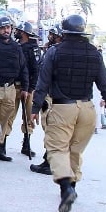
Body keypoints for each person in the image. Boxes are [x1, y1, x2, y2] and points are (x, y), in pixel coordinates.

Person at [30, 14, 106, 212]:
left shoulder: (54, 52)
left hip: (63, 107)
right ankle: (73, 185)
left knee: (57, 148)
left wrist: (35, 108)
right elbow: (105, 85)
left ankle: (65, 188)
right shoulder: (94, 54)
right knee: (75, 150)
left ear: (64, 32)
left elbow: (42, 83)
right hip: (87, 109)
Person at [0, 16, 29, 162]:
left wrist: (26, 88)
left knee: (4, 120)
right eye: (3, 28)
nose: (6, 30)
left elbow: (23, 68)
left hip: (10, 89)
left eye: (8, 27)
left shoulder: (16, 47)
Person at [30, 25, 63, 175]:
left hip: (51, 95)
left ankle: (50, 160)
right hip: (59, 96)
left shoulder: (55, 52)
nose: (49, 36)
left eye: (51, 34)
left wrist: (38, 101)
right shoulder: (54, 50)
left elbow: (44, 76)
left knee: (49, 127)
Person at [6, 21, 41, 157]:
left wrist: (31, 88)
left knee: (28, 117)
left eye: (18, 30)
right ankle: (2, 144)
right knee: (9, 115)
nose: (15, 32)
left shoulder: (33, 49)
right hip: (14, 86)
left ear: (24, 33)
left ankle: (27, 143)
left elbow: (36, 70)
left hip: (29, 88)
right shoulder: (15, 46)